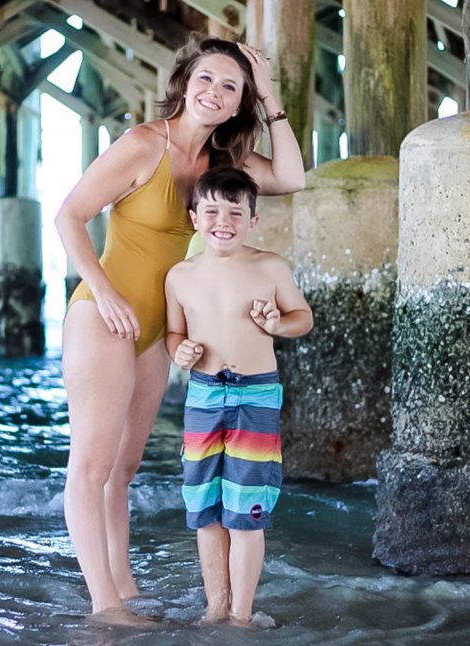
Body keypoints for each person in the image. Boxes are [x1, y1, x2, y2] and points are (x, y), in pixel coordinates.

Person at [54, 32, 305, 622]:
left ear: (240, 101)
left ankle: (125, 587)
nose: (215, 91)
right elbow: (70, 216)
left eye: (231, 86)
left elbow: (292, 177)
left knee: (124, 470)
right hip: (103, 314)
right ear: (185, 83)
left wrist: (269, 95)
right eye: (206, 78)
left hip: (157, 327)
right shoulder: (144, 143)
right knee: (91, 467)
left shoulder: (224, 162)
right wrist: (106, 294)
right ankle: (104, 605)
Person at [164, 166, 313, 626]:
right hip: (204, 396)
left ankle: (242, 615)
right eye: (211, 211)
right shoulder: (179, 276)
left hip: (255, 395)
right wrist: (179, 351)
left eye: (235, 212)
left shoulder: (269, 267)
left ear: (253, 221)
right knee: (204, 509)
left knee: (246, 510)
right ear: (194, 218)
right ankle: (216, 607)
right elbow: (173, 332)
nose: (222, 221)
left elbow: (303, 317)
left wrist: (277, 323)